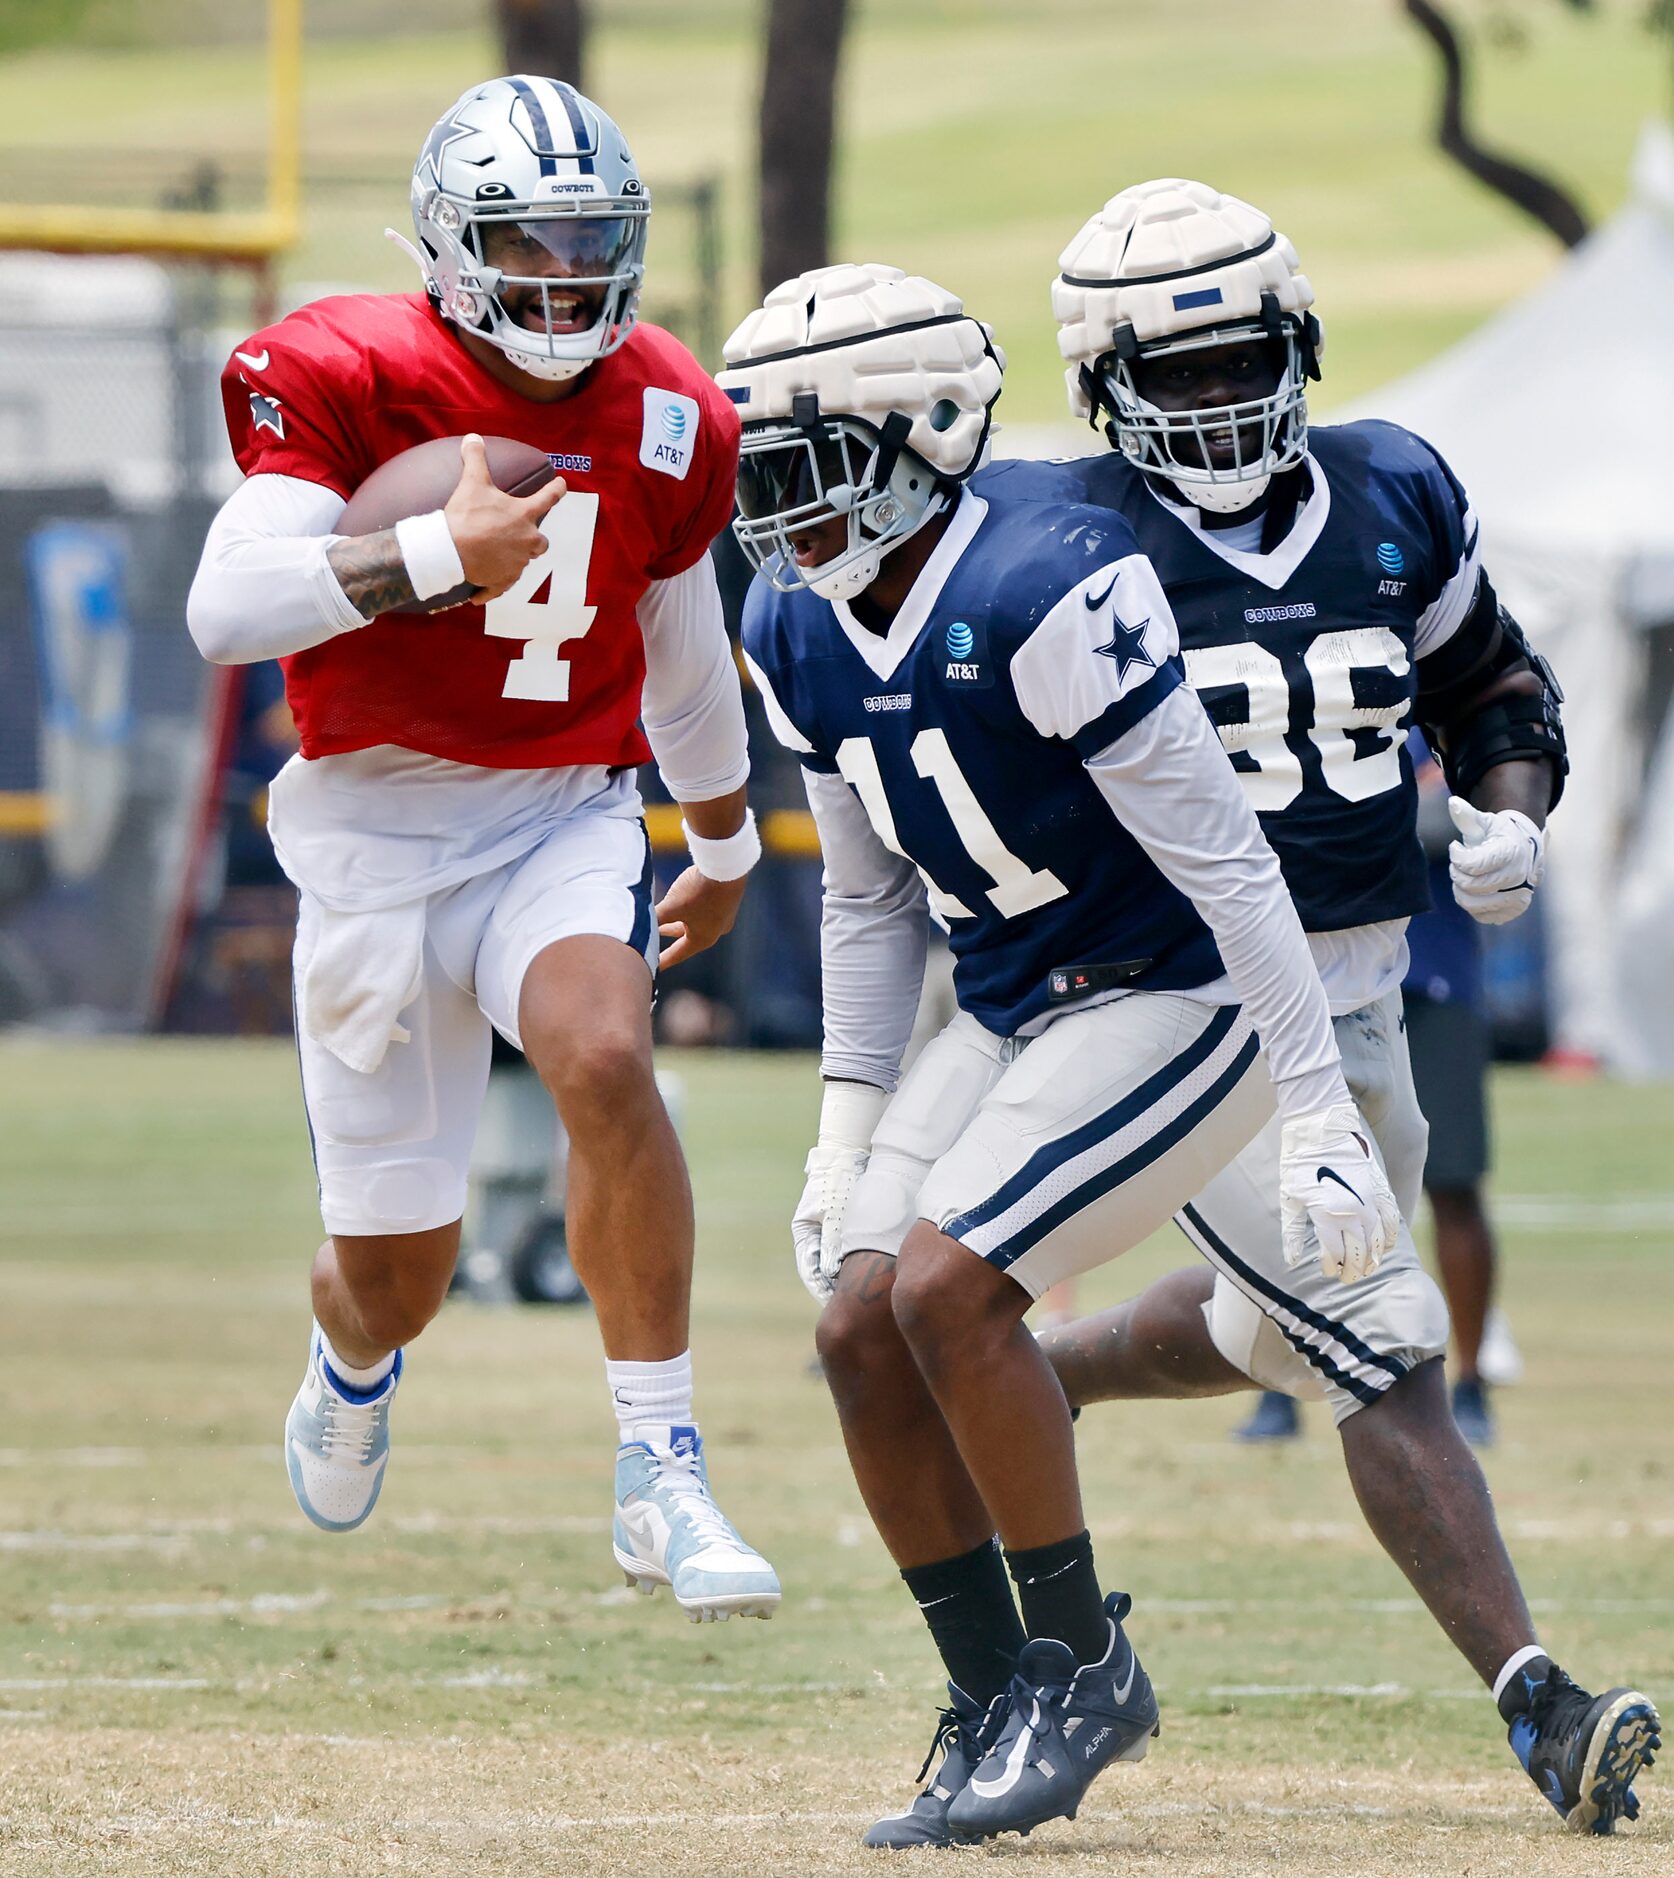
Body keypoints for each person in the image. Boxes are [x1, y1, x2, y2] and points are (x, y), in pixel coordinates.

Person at [998, 178, 1655, 1831]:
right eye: (1181, 372)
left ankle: (1051, 1373)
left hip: (1362, 984)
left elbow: (1495, 681)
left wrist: (1508, 808)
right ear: (1103, 384)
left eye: (1244, 360)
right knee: (1380, 1340)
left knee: (1261, 1322)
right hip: (1189, 1006)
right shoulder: (1062, 537)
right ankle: (1541, 1706)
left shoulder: (1388, 487)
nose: (1221, 401)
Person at [726, 261, 1400, 1847]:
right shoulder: (792, 618)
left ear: (925, 435)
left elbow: (1234, 865)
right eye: (760, 469)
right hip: (1020, 1000)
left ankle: (1088, 1666)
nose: (777, 509)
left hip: (1185, 996)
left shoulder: (1046, 577)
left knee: (950, 1287)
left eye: (807, 465)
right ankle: (990, 1690)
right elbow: (869, 899)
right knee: (855, 1328)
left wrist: (1315, 1105)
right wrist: (843, 1128)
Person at [185, 76, 779, 1623]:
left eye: (594, 248)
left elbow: (681, 636)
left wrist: (718, 834)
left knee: (602, 1051)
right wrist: (441, 552)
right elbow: (226, 611)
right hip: (372, 840)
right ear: (452, 244)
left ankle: (661, 1465)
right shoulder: (345, 365)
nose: (566, 282)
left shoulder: (665, 407)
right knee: (400, 1275)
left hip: (555, 808)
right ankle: (352, 1356)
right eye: (530, 244)